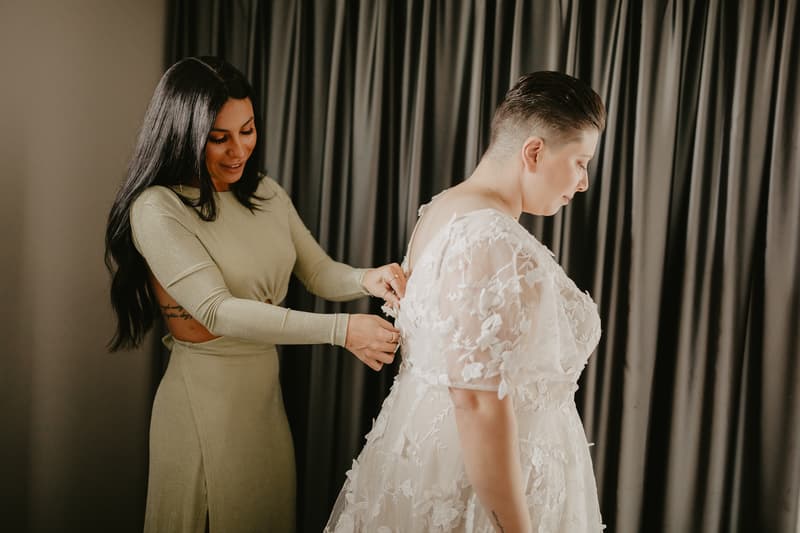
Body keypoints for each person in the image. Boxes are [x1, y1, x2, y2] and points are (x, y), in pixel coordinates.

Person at [104, 56, 407, 533]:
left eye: (247, 130)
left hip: (265, 406)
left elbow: (319, 271)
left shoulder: (264, 191)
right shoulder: (157, 208)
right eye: (219, 138)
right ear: (183, 134)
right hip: (202, 406)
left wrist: (368, 278)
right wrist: (342, 330)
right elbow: (216, 312)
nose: (238, 151)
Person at [325, 71, 607, 533]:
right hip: (482, 492)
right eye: (580, 162)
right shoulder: (489, 238)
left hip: (433, 461)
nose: (583, 183)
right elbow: (476, 405)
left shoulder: (445, 209)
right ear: (534, 151)